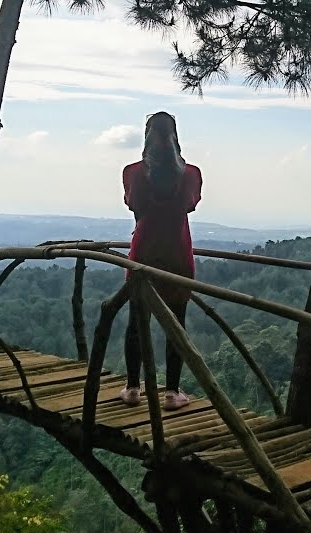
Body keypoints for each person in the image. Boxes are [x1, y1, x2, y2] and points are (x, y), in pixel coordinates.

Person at [119, 111, 202, 411]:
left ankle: (131, 388)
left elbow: (135, 206)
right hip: (178, 253)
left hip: (143, 253)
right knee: (176, 324)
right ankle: (171, 392)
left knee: (135, 323)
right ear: (176, 136)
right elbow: (188, 206)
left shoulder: (132, 172)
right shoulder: (191, 174)